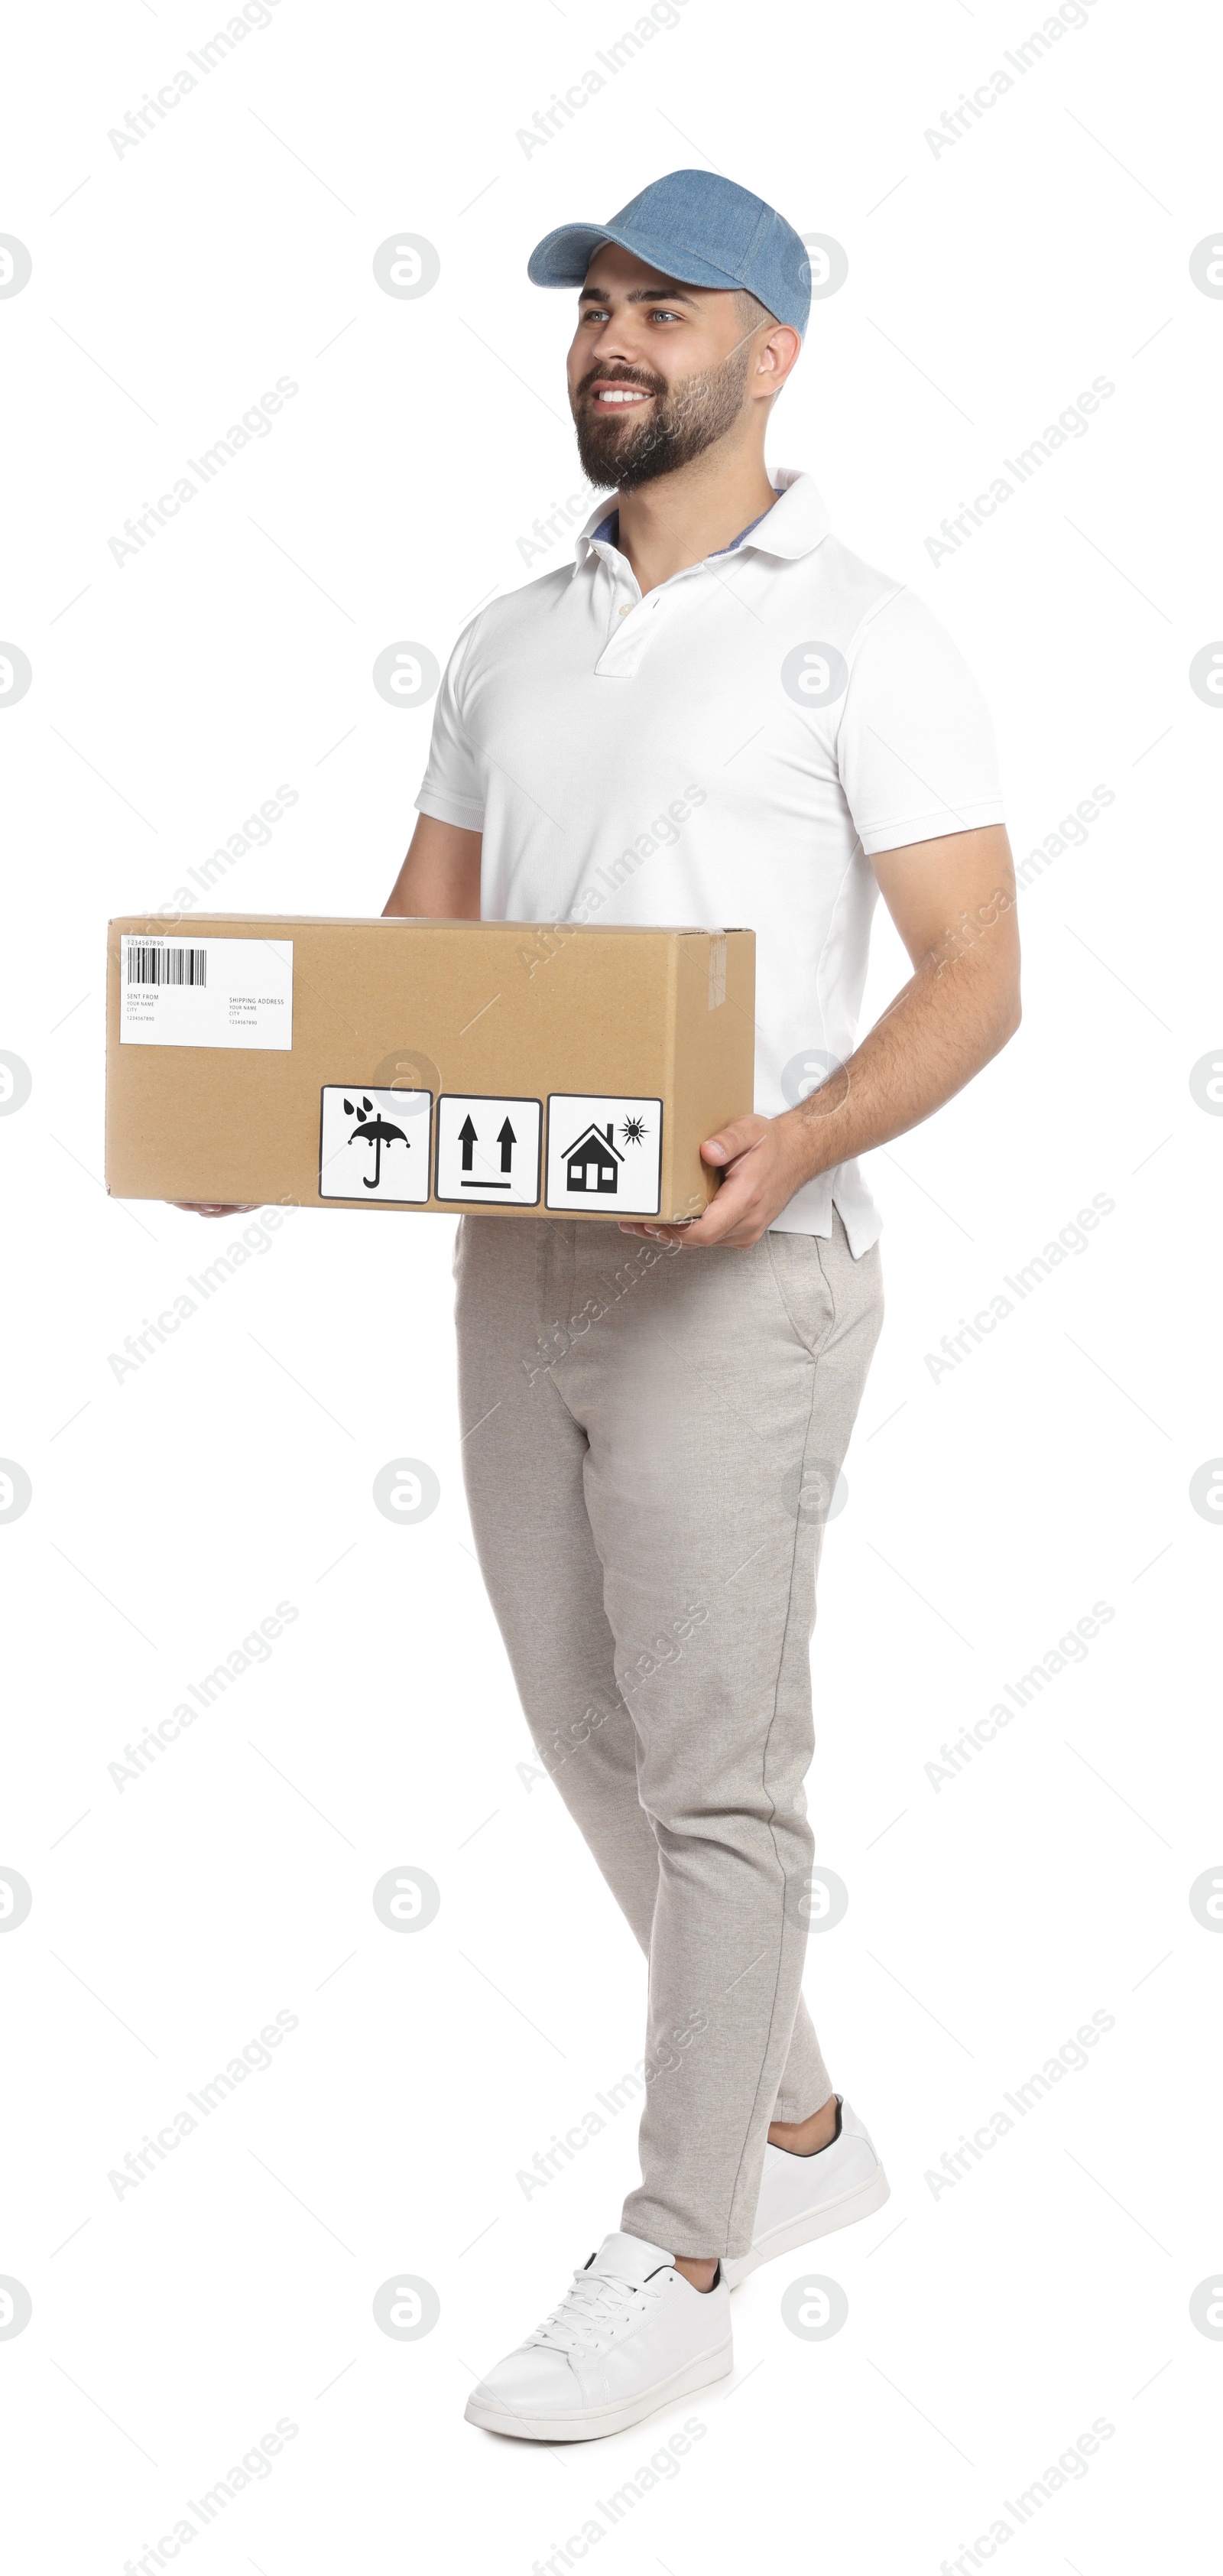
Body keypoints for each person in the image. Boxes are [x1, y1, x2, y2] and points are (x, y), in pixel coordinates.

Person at [191, 168, 1022, 2444]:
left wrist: (802, 1143)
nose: (612, 340)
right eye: (593, 310)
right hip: (519, 1258)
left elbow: (979, 978)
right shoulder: (503, 642)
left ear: (777, 352)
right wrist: (254, 1111)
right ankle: (805, 2133)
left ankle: (683, 2254)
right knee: (588, 1729)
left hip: (741, 1272)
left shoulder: (870, 632)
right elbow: (420, 966)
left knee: (724, 1775)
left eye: (667, 308)